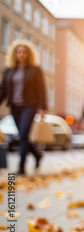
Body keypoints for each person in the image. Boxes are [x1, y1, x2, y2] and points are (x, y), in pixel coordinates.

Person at [0, 39, 47, 175]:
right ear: (15, 54)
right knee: (22, 135)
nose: (21, 55)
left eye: (24, 52)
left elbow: (41, 89)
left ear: (28, 54)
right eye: (18, 52)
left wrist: (43, 107)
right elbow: (2, 89)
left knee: (24, 133)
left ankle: (21, 167)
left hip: (29, 106)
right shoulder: (9, 70)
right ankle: (37, 155)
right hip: (15, 106)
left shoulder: (35, 70)